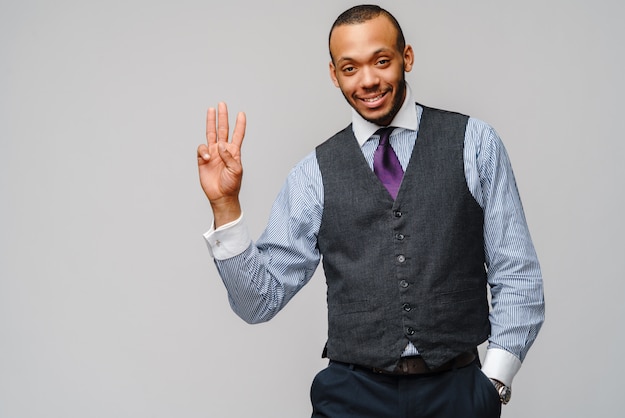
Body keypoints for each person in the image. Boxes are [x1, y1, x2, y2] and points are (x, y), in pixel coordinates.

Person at [197, 5, 544, 417]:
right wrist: (225, 205)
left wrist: (493, 383)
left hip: (457, 392)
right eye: (350, 68)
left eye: (381, 61)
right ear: (334, 74)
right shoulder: (313, 174)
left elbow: (516, 273)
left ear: (406, 57)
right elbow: (258, 301)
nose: (368, 81)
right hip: (351, 396)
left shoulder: (475, 143)